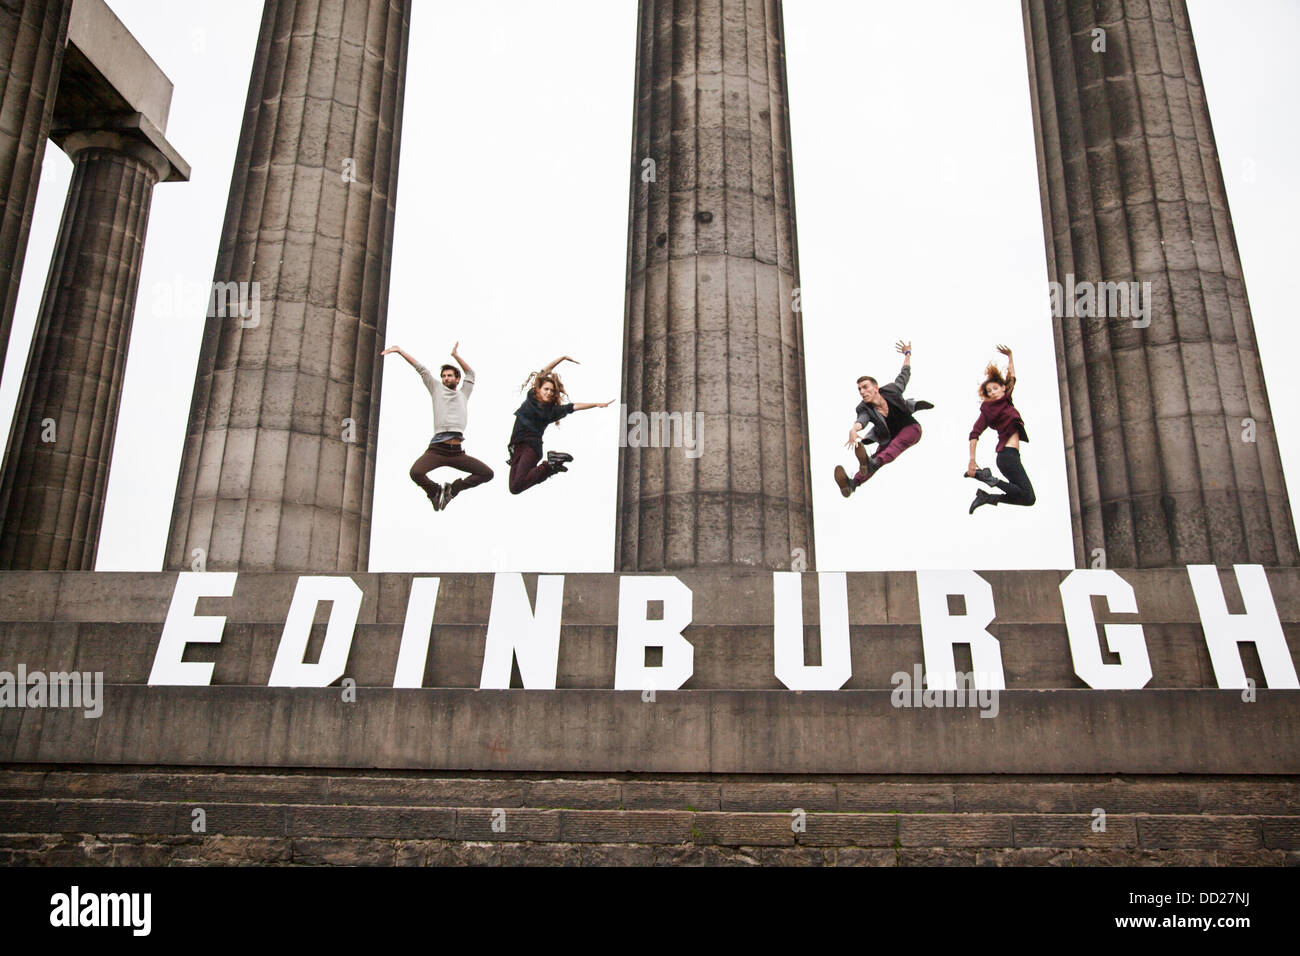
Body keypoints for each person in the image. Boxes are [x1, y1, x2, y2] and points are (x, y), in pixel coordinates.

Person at [381, 341, 493, 511]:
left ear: (457, 379)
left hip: (456, 452)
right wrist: (400, 351)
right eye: (444, 376)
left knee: (487, 474)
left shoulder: (464, 393)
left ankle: (453, 489)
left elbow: (470, 373)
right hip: (437, 450)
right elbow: (421, 369)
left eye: (449, 376)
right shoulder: (436, 389)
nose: (446, 378)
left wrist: (456, 356)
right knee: (416, 473)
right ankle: (434, 491)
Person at [835, 340, 934, 497]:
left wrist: (907, 354)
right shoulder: (865, 408)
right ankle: (852, 484)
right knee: (873, 460)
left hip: (911, 429)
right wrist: (854, 429)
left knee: (888, 451)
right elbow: (863, 419)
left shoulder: (892, 391)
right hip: (888, 437)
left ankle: (872, 463)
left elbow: (904, 374)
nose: (862, 391)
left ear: (876, 388)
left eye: (865, 387)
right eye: (859, 389)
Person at [507, 355, 613, 494]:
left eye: (552, 391)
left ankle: (551, 464)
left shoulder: (553, 411)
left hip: (530, 448)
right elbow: (544, 372)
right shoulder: (532, 397)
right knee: (514, 488)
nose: (549, 392)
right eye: (546, 389)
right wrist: (561, 358)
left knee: (518, 485)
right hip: (516, 447)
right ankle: (553, 466)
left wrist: (596, 404)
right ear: (539, 389)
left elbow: (574, 407)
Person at [965, 344, 1035, 514]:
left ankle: (987, 497)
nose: (993, 392)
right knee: (1028, 496)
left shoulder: (1006, 399)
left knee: (1027, 498)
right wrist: (972, 460)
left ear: (1003, 388)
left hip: (1012, 456)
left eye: (995, 388)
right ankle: (988, 479)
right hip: (1006, 457)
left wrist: (1010, 356)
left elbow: (1011, 376)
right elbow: (974, 434)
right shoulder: (988, 410)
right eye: (989, 391)